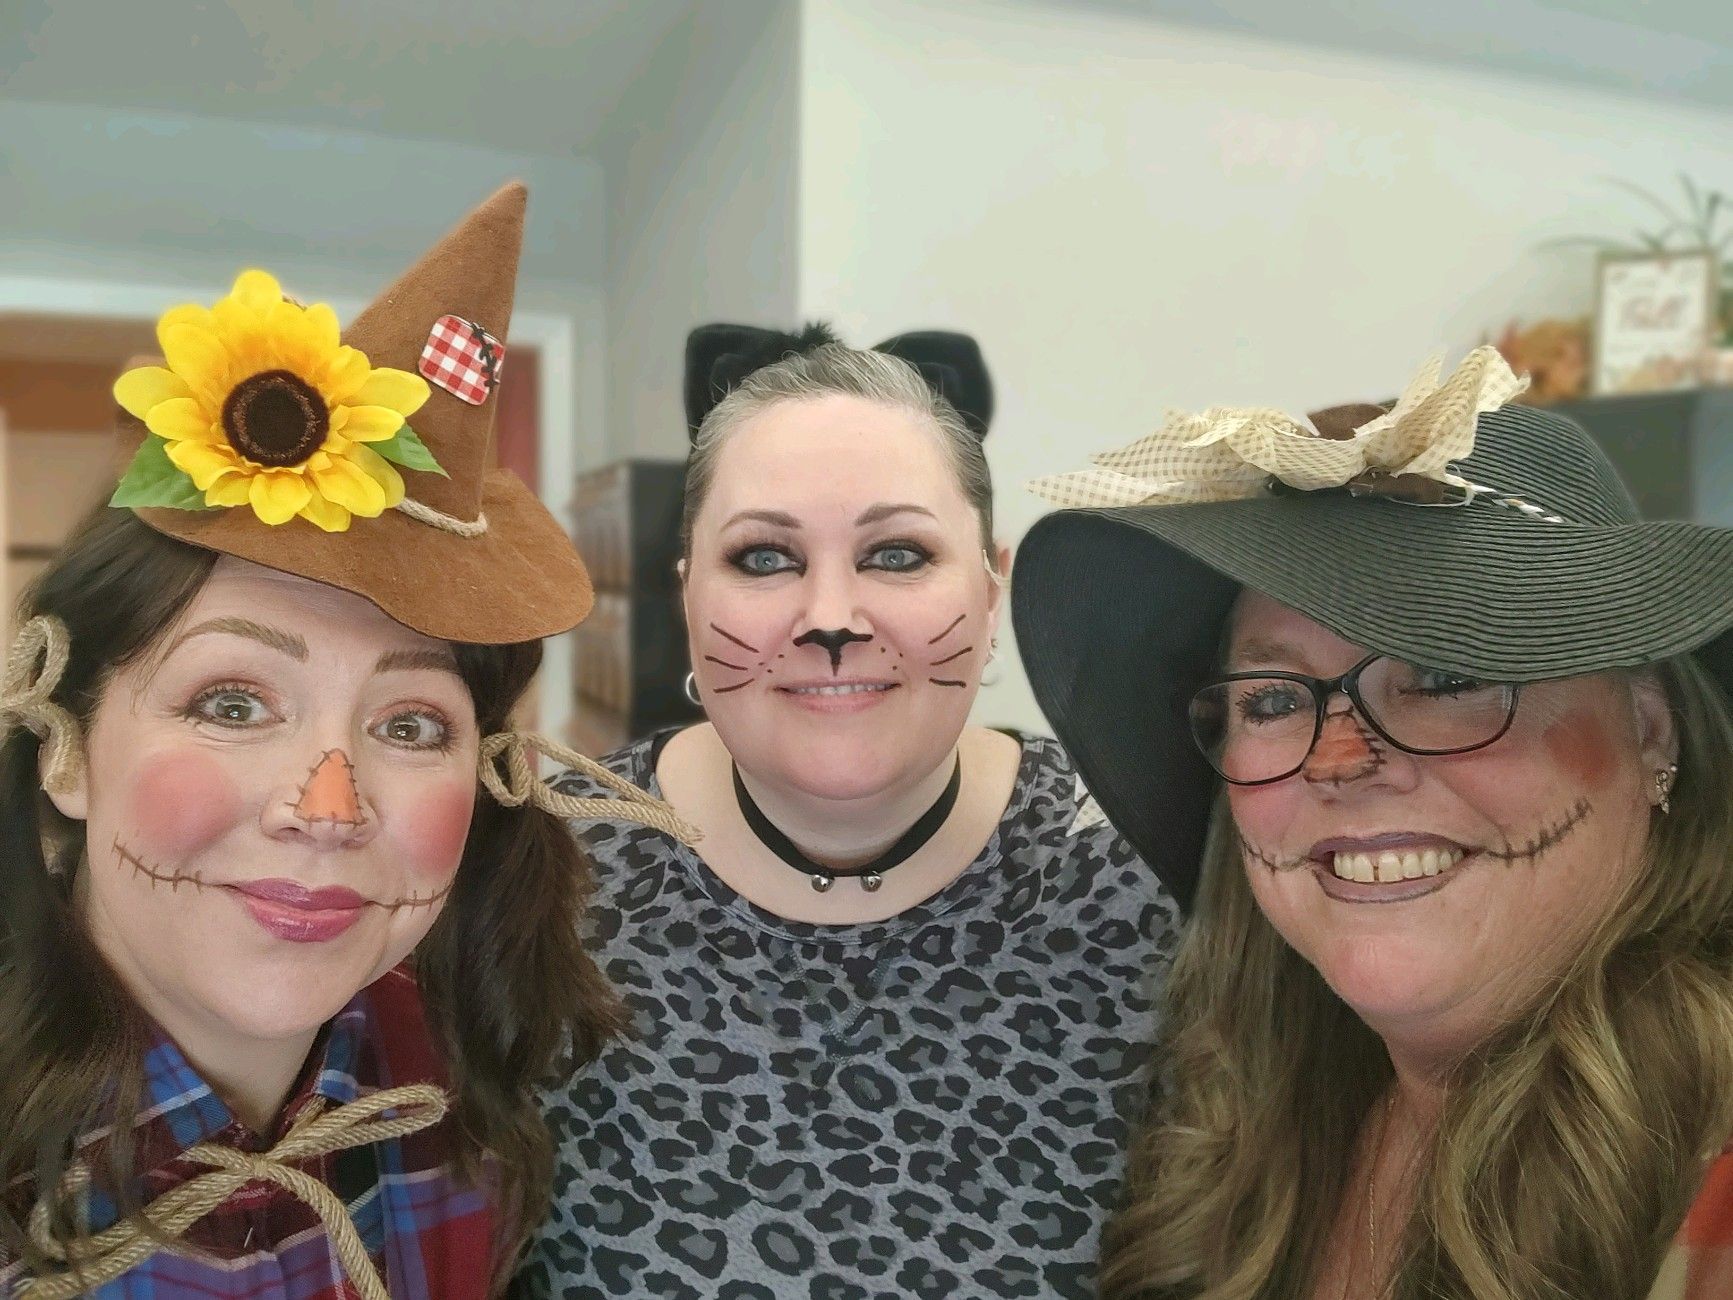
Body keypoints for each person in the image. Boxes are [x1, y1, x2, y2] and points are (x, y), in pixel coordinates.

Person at [0, 183, 695, 1300]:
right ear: (65, 748)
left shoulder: (469, 1089)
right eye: (232, 702)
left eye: (412, 724)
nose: (327, 804)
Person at [1010, 346, 1733, 1299]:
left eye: (1442, 678)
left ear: (1650, 729)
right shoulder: (1238, 1142)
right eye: (1270, 700)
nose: (1339, 761)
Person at [515, 325, 1182, 1299]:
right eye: (762, 558)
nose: (830, 615)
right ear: (688, 595)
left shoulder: (1141, 863)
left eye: (898, 552)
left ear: (991, 586)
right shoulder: (540, 869)